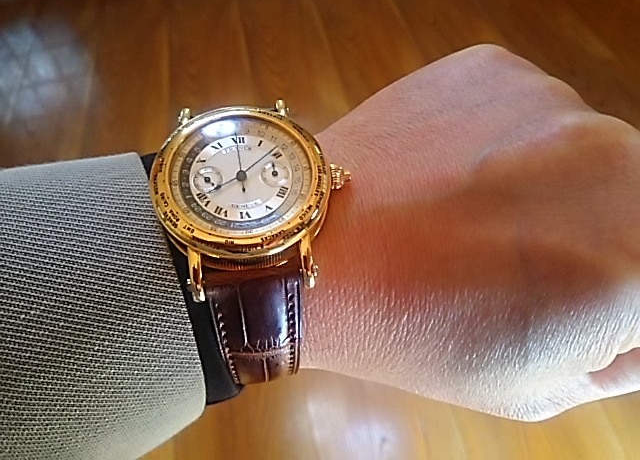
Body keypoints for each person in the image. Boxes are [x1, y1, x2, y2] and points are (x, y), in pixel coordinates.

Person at [1, 45, 639, 458]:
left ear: (323, 177)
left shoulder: (302, 201)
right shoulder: (202, 224)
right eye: (233, 173)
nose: (240, 177)